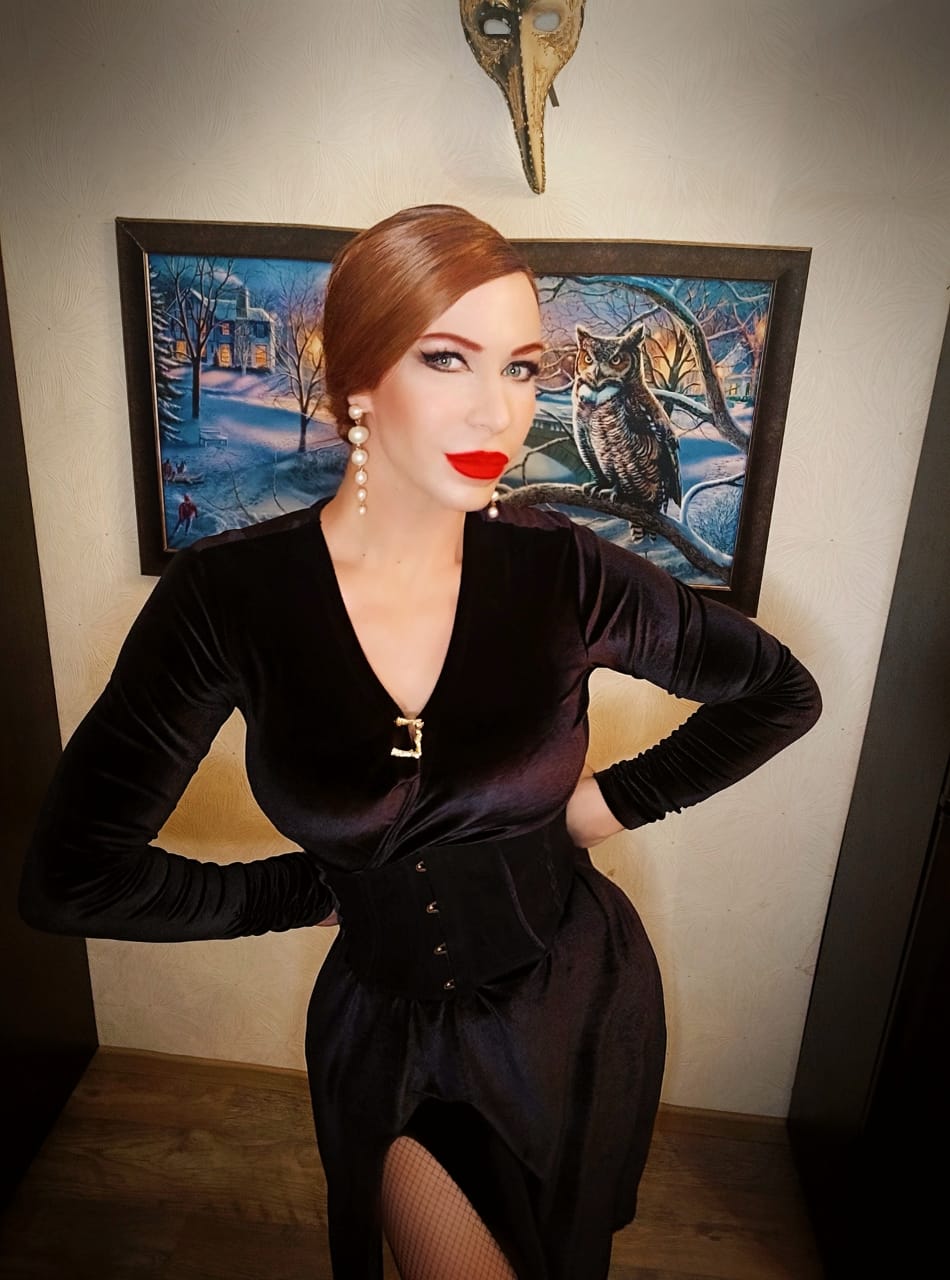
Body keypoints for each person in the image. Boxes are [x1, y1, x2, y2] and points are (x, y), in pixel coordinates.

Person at [19, 205, 821, 1280]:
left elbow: (777, 692)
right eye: (447, 358)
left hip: (576, 1001)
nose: (499, 407)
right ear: (357, 378)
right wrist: (300, 892)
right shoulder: (228, 600)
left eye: (522, 367)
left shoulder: (562, 570)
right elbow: (74, 877)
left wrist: (601, 806)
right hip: (392, 1036)